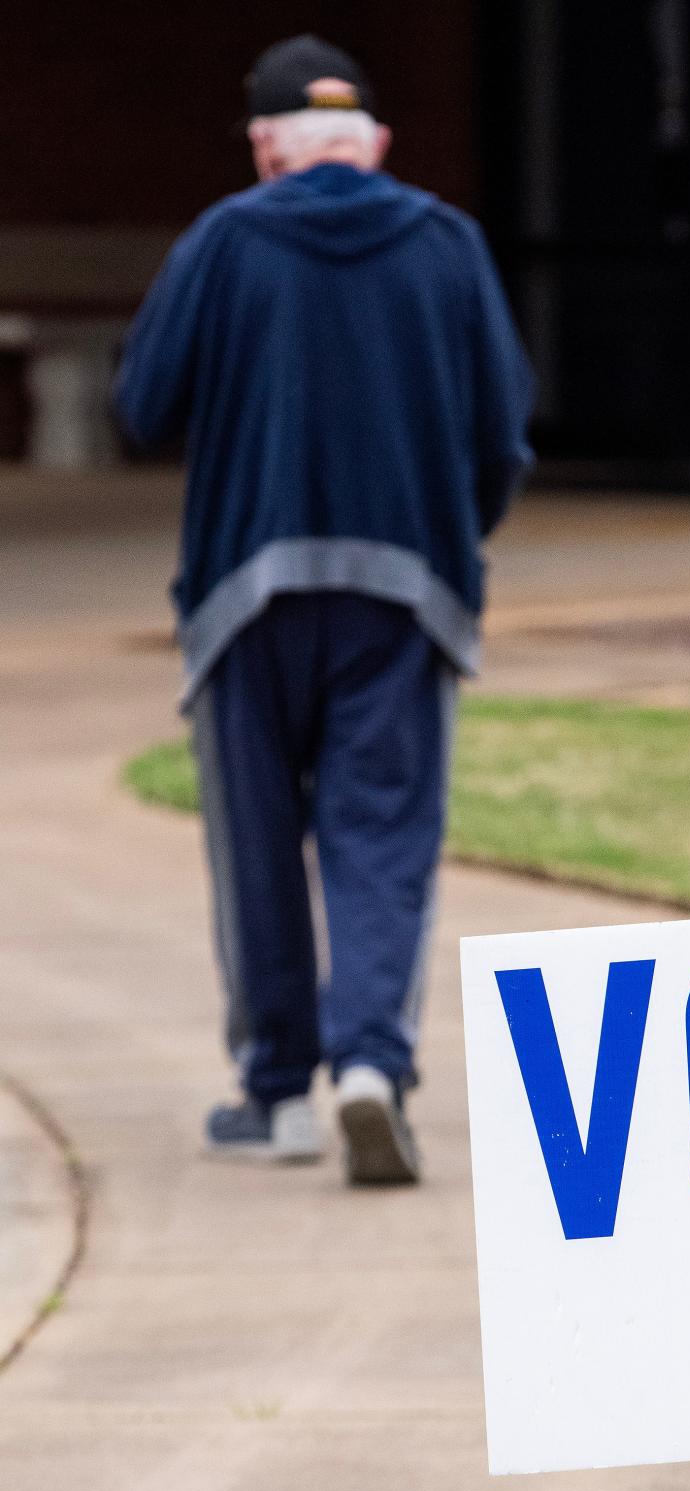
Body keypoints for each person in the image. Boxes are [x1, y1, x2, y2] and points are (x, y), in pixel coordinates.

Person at [114, 35, 535, 1185]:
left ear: (264, 149)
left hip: (245, 590)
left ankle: (275, 1094)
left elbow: (142, 403)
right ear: (377, 146)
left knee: (255, 845)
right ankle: (369, 1066)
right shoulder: (448, 245)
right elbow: (502, 437)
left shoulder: (225, 239)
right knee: (382, 836)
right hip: (406, 593)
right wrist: (454, 535)